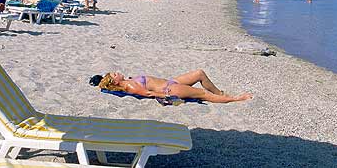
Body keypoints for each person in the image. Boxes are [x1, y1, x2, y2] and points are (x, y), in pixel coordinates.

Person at [90, 70, 252, 104]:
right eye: (114, 75)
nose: (117, 72)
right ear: (116, 82)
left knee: (199, 73)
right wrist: (167, 97)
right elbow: (147, 93)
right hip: (170, 89)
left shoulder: (128, 81)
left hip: (170, 82)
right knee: (203, 94)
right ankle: (235, 98)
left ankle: (220, 93)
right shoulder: (131, 85)